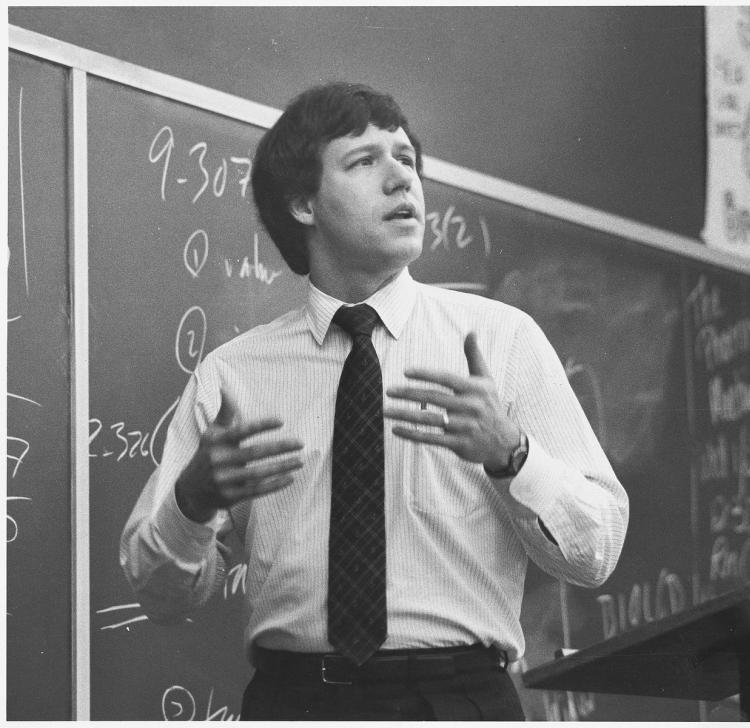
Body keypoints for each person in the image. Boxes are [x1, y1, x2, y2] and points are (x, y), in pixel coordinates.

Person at [121, 81, 629, 721]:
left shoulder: (503, 340)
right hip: (294, 701)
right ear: (304, 203)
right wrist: (191, 503)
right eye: (365, 162)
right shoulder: (233, 377)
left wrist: (513, 456)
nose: (401, 180)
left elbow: (597, 551)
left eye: (406, 159)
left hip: (460, 699)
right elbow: (164, 601)